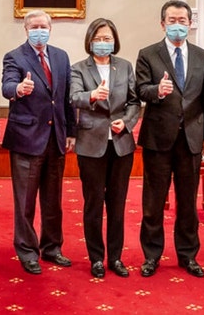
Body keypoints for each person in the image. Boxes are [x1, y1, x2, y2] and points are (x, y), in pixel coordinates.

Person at [136, 0, 204, 279]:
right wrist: (157, 90)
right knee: (153, 201)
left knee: (187, 201)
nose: (178, 25)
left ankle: (188, 255)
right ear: (163, 24)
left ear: (189, 24)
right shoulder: (148, 54)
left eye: (183, 20)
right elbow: (140, 90)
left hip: (192, 139)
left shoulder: (201, 55)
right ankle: (152, 255)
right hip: (158, 138)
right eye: (172, 20)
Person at [1, 10, 76, 275]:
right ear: (26, 30)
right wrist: (18, 89)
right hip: (26, 139)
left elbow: (66, 98)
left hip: (56, 137)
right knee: (25, 201)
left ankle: (52, 247)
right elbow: (7, 86)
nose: (39, 30)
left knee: (53, 200)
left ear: (50, 29)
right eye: (34, 26)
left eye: (43, 26)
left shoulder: (60, 56)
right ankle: (27, 251)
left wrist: (71, 131)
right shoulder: (14, 57)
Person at [69, 18, 140, 279]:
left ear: (115, 41)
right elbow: (73, 97)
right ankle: (96, 258)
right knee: (93, 204)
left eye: (107, 38)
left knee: (118, 204)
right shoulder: (79, 68)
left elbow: (134, 102)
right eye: (98, 38)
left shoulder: (125, 66)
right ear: (89, 41)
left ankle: (116, 257)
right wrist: (91, 96)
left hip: (121, 144)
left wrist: (128, 122)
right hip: (91, 144)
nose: (102, 43)